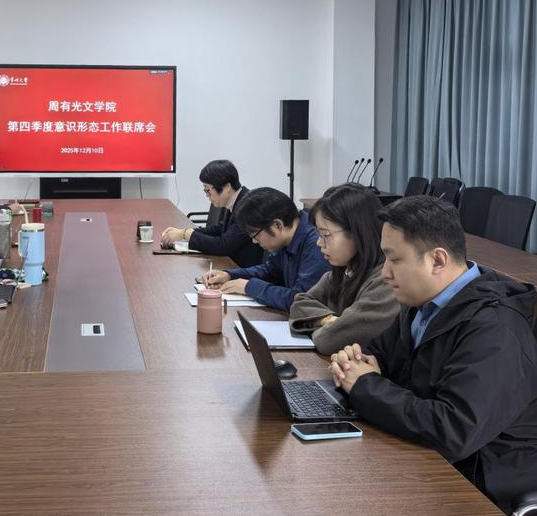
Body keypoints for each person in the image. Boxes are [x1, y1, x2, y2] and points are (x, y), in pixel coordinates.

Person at [328, 196, 537, 512]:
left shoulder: (495, 330)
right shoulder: (422, 304)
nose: (385, 273)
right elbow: (380, 355)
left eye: (394, 260)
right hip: (423, 458)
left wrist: (364, 384)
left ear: (437, 260)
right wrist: (356, 362)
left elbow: (453, 430)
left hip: (477, 484)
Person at [288, 183, 398, 354]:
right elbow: (299, 303)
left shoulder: (386, 281)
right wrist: (329, 320)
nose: (319, 243)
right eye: (318, 234)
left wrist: (321, 324)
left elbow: (328, 341)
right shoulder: (343, 271)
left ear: (358, 232)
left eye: (326, 235)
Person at [202, 187, 329, 311]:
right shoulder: (287, 238)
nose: (254, 241)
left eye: (255, 235)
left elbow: (301, 301)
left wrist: (249, 287)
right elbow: (270, 271)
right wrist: (230, 275)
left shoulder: (317, 245)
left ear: (277, 225)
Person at [160, 160, 263, 267]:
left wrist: (186, 234)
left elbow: (223, 246)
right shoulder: (236, 199)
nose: (206, 195)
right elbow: (219, 230)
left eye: (207, 190)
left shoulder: (248, 207)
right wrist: (183, 233)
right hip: (230, 263)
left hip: (241, 269)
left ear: (227, 187)